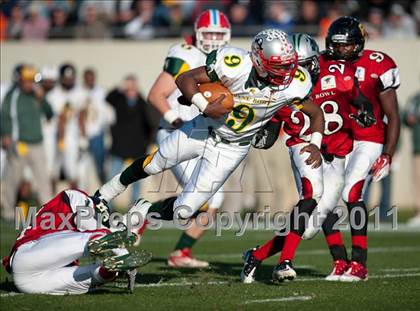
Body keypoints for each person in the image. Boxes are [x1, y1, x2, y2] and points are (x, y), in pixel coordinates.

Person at [95, 29, 324, 254]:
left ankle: (144, 210)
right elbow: (185, 78)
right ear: (258, 60)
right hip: (203, 128)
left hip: (231, 149)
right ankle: (106, 192)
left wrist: (315, 141)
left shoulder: (295, 82)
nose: (287, 72)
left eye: (288, 64)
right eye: (279, 66)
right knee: (156, 163)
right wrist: (203, 105)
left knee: (184, 210)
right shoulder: (235, 64)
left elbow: (316, 114)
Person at [240, 33, 375, 283]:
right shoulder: (279, 88)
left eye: (306, 64)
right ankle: (285, 263)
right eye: (294, 66)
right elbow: (269, 132)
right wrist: (261, 132)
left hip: (336, 154)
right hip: (302, 144)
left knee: (308, 229)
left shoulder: (336, 74)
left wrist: (364, 110)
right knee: (311, 195)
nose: (300, 71)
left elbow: (359, 98)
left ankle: (256, 256)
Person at [310, 16, 400, 282]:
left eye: (347, 46)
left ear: (359, 44)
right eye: (337, 45)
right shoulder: (321, 63)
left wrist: (388, 155)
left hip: (368, 138)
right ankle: (339, 260)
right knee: (324, 196)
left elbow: (392, 115)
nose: (341, 50)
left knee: (351, 191)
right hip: (336, 139)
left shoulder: (377, 64)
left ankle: (359, 263)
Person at [147, 9, 230, 268]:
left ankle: (181, 252)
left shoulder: (227, 59)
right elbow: (156, 94)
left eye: (219, 34)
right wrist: (174, 119)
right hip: (177, 132)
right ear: (197, 33)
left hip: (204, 136)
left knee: (214, 200)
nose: (214, 39)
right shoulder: (185, 53)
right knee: (202, 198)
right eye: (209, 33)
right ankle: (142, 216)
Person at [2, 189, 151, 295]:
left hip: (27, 281)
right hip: (29, 254)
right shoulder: (76, 197)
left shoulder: (70, 211)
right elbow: (84, 220)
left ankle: (108, 272)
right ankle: (113, 259)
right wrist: (123, 253)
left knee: (89, 278)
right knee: (96, 237)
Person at [0, 65, 53, 221]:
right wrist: (6, 135)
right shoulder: (13, 96)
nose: (30, 84)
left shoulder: (36, 95)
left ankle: (50, 212)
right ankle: (8, 210)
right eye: (27, 80)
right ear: (20, 80)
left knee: (43, 179)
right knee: (13, 178)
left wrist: (42, 98)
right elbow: (5, 116)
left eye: (32, 80)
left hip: (37, 143)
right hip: (19, 143)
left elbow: (50, 113)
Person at [106, 75, 156, 205]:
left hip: (137, 147)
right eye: (128, 85)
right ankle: (108, 205)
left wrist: (149, 143)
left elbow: (150, 123)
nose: (131, 88)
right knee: (113, 178)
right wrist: (120, 87)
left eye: (133, 85)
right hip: (119, 147)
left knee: (137, 180)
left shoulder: (141, 103)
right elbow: (108, 98)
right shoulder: (119, 99)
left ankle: (134, 205)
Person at [47, 63, 85, 188]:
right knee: (51, 172)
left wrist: (83, 136)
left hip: (71, 136)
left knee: (72, 172)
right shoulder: (53, 94)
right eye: (66, 78)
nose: (69, 81)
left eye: (71, 78)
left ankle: (73, 204)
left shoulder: (79, 92)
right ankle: (49, 203)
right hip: (53, 135)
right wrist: (60, 139)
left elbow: (81, 115)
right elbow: (59, 118)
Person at [404, 84, 420, 227]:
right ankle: (418, 213)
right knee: (417, 180)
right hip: (417, 146)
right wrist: (408, 118)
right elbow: (404, 116)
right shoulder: (415, 98)